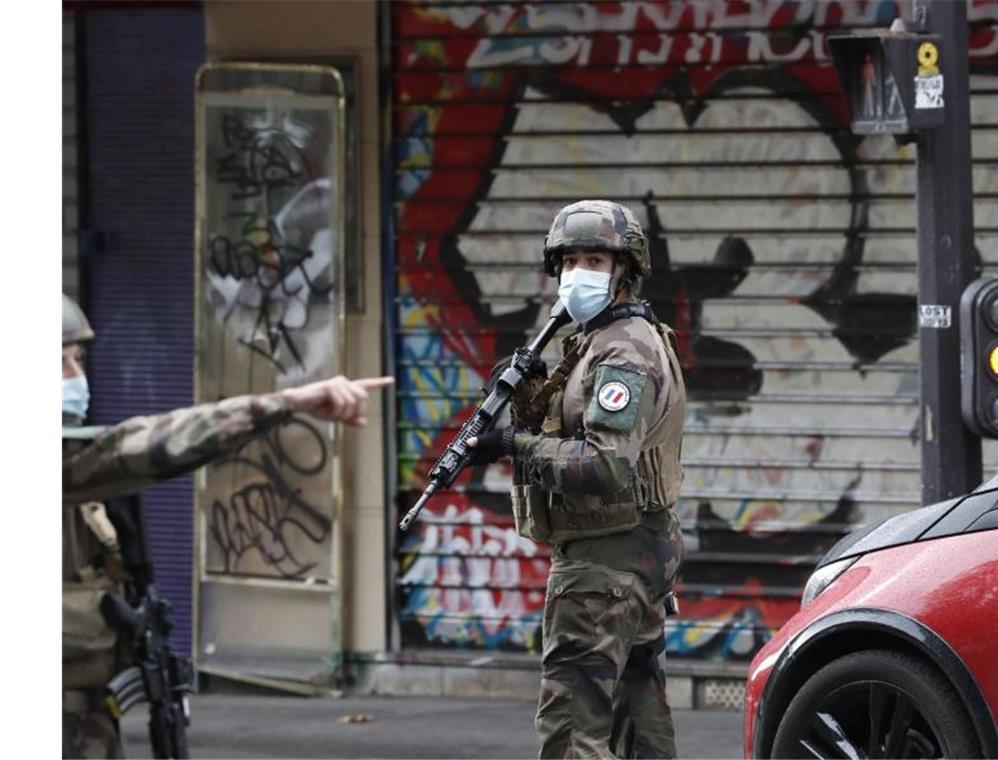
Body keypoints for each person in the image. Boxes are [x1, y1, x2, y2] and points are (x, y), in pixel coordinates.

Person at [61, 293, 392, 758]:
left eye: (77, 361)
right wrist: (283, 402)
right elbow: (138, 447)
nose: (77, 379)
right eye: (61, 364)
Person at [466, 200, 687, 758]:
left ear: (624, 270)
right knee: (637, 724)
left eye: (595, 259)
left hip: (605, 561)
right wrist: (527, 401)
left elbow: (605, 464)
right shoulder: (600, 339)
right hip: (630, 551)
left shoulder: (622, 351)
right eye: (568, 261)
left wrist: (513, 447)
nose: (577, 273)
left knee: (572, 728)